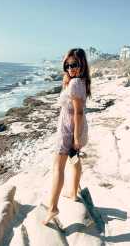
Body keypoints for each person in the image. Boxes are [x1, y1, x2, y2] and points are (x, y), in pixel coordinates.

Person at [42, 48, 91, 225]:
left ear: (82, 65)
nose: (70, 68)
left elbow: (77, 112)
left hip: (69, 129)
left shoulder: (75, 83)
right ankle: (73, 192)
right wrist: (66, 82)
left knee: (58, 168)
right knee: (75, 159)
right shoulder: (79, 81)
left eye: (74, 64)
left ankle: (52, 208)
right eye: (67, 65)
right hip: (72, 127)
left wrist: (76, 139)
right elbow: (73, 106)